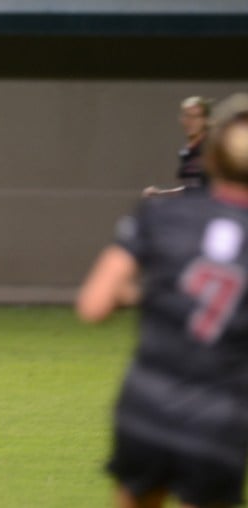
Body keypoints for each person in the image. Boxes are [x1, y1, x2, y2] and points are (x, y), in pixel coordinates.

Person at [77, 92, 248, 508]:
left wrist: (157, 293)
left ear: (210, 159)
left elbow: (93, 304)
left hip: (146, 407)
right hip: (218, 421)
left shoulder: (159, 215)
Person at [143, 96, 212, 197]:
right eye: (187, 116)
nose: (190, 121)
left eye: (196, 117)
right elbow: (189, 189)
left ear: (205, 120)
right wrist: (160, 194)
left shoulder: (211, 148)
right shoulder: (186, 152)